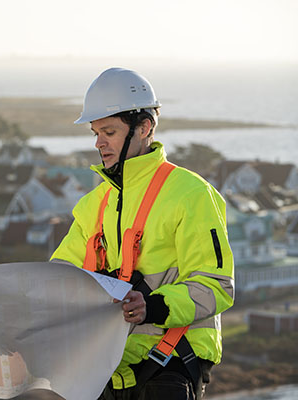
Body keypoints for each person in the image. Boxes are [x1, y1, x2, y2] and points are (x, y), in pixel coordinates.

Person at [50, 68, 234, 400]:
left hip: (169, 366)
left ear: (144, 128)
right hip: (105, 372)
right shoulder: (93, 205)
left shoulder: (191, 194)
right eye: (95, 132)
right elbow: (57, 279)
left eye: (109, 131)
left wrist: (153, 306)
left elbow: (216, 286)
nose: (98, 142)